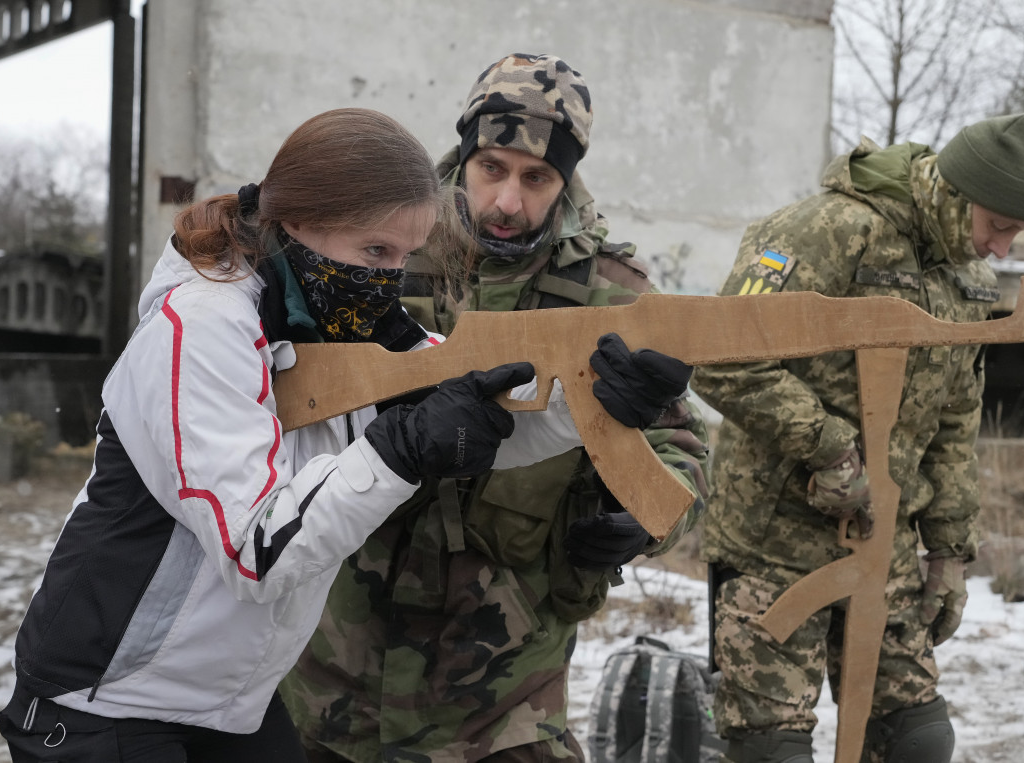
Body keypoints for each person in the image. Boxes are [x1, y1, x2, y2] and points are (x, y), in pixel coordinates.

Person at [0, 107, 689, 763]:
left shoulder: (341, 318)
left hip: (229, 705)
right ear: (296, 221)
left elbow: (481, 419)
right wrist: (400, 449)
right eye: (375, 249)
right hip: (106, 704)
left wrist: (596, 402)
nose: (388, 280)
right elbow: (257, 552)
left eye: (404, 256)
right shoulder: (200, 328)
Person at [280, 54, 711, 762]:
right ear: (465, 154)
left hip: (503, 687)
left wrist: (641, 514)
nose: (508, 201)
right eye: (492, 169)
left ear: (566, 180)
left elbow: (682, 453)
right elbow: (284, 388)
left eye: (536, 177)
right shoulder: (383, 243)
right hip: (334, 664)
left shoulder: (614, 295)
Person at [690, 113, 1024, 763]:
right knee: (772, 749)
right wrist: (828, 443)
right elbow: (721, 355)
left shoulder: (969, 279)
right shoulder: (827, 229)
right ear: (957, 189)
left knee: (917, 740)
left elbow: (954, 424)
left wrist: (948, 553)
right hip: (771, 542)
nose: (1002, 248)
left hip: (882, 546)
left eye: (1017, 232)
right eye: (998, 225)